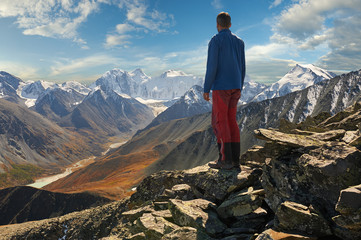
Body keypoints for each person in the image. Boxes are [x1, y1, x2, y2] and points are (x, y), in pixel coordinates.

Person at [203, 12, 246, 170]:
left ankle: (225, 160)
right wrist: (240, 86)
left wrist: (206, 88)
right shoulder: (239, 42)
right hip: (236, 86)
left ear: (217, 24)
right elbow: (242, 66)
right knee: (231, 120)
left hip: (221, 87)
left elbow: (212, 66)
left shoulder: (215, 41)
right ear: (230, 24)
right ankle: (235, 159)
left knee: (220, 122)